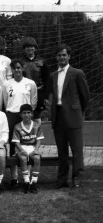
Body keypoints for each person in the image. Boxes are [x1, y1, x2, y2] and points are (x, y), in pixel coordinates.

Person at [48, 44, 90, 189]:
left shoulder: (77, 73)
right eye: (59, 55)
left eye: (64, 55)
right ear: (56, 57)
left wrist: (78, 111)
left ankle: (77, 178)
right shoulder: (53, 75)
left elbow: (85, 96)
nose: (61, 57)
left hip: (73, 116)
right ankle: (62, 180)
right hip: (58, 116)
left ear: (69, 56)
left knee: (77, 150)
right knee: (62, 151)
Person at [3, 59, 37, 188]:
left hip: (25, 116)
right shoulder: (6, 84)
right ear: (11, 70)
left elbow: (33, 100)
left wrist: (27, 114)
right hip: (12, 115)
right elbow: (5, 101)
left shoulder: (30, 83)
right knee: (13, 147)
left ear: (22, 68)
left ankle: (26, 177)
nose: (16, 70)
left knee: (27, 145)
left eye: (18, 67)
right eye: (14, 68)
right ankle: (14, 178)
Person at [12, 104, 44, 194]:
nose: (26, 115)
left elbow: (38, 140)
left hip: (33, 147)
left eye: (28, 113)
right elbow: (16, 142)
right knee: (23, 158)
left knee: (37, 158)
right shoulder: (17, 126)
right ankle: (26, 182)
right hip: (21, 147)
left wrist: (36, 150)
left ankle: (34, 182)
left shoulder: (36, 125)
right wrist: (22, 150)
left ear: (32, 114)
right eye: (24, 113)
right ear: (20, 115)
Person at [20, 37, 50, 124]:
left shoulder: (42, 62)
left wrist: (46, 95)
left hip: (38, 93)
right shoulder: (20, 62)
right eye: (27, 47)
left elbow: (47, 79)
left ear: (35, 48)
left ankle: (37, 136)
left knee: (36, 118)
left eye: (32, 46)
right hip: (24, 93)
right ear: (24, 49)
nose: (30, 48)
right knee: (25, 116)